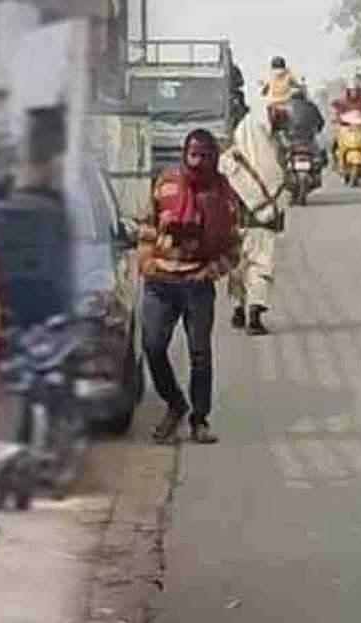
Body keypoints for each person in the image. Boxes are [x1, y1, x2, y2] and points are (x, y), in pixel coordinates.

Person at [136, 129, 242, 445]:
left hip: (197, 285)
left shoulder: (224, 196)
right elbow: (146, 224)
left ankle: (200, 418)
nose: (198, 162)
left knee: (200, 355)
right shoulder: (165, 182)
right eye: (193, 155)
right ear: (184, 155)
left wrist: (212, 270)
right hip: (161, 283)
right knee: (153, 348)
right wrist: (146, 262)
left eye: (206, 156)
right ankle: (175, 404)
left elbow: (235, 248)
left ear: (215, 159)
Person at [223, 111, 288, 336]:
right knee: (261, 264)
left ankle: (238, 309)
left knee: (238, 265)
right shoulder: (272, 160)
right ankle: (254, 314)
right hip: (263, 222)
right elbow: (282, 190)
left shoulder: (230, 159)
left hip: (235, 221)